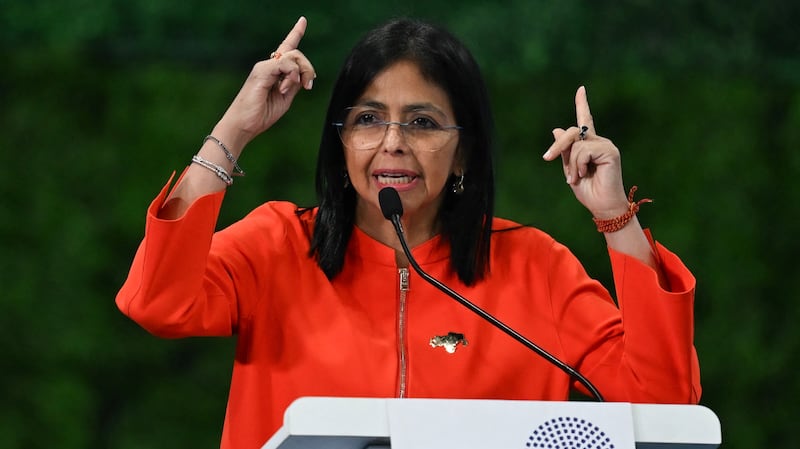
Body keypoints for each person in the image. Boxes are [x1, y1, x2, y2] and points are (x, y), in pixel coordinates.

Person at [116, 16, 701, 449]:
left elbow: (663, 403)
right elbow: (156, 302)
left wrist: (615, 219)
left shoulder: (535, 267)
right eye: (368, 119)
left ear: (465, 150)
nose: (392, 142)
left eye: (422, 122)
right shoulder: (276, 244)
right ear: (342, 140)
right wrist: (232, 132)